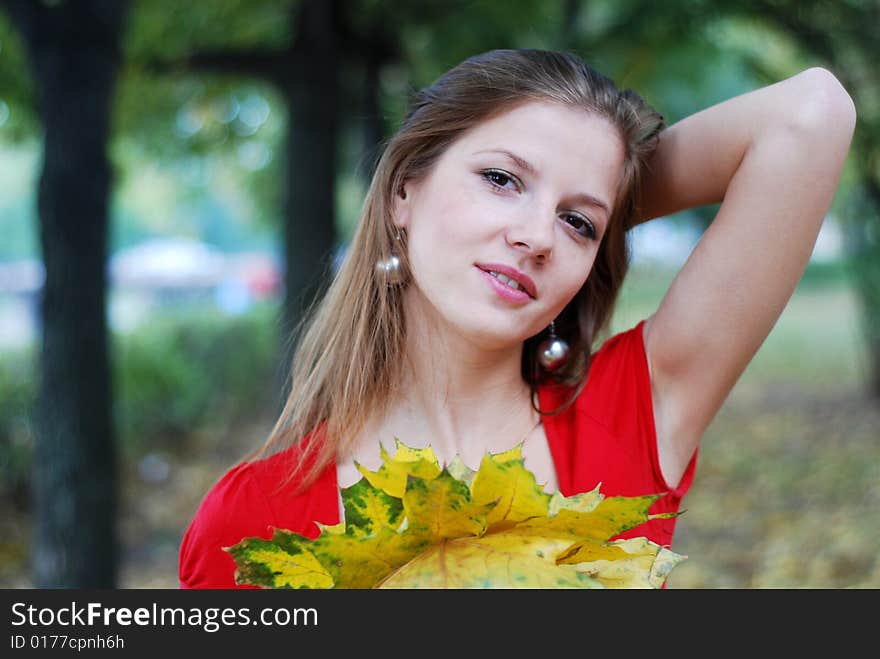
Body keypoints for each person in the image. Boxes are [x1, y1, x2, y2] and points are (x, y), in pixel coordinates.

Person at [178, 48, 856, 589]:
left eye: (576, 221)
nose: (537, 237)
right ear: (403, 191)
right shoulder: (250, 520)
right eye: (502, 179)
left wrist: (612, 201)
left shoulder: (629, 419)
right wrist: (589, 204)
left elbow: (811, 113)